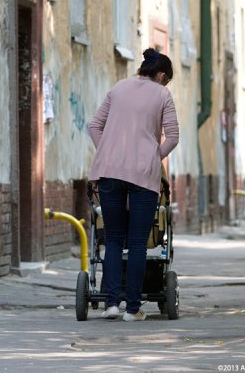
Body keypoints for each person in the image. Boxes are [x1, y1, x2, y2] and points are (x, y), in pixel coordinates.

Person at [88, 48, 179, 322]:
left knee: (113, 239)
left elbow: (94, 126)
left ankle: (111, 304)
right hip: (143, 175)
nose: (166, 84)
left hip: (109, 171)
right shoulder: (162, 95)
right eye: (167, 80)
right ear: (161, 76)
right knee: (138, 243)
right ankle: (133, 309)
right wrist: (153, 157)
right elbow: (173, 136)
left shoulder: (118, 88)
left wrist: (107, 152)